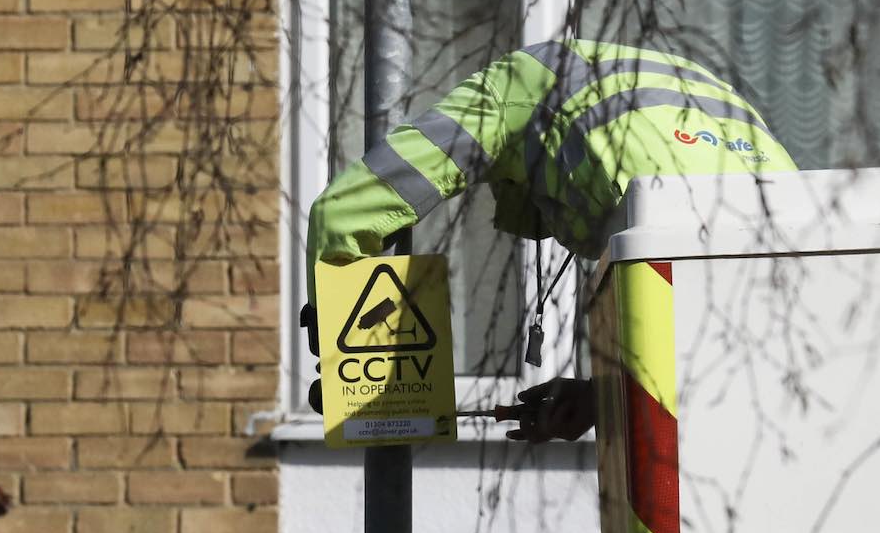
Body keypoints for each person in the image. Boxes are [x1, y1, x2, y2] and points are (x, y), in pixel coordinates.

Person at [306, 38, 798, 441]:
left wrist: (337, 343)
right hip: (795, 232)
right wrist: (600, 400)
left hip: (644, 206)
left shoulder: (513, 86)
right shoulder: (685, 80)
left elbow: (344, 210)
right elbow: (704, 384)